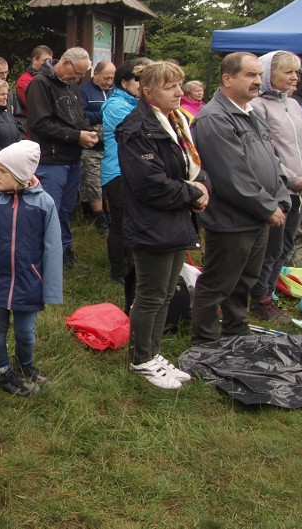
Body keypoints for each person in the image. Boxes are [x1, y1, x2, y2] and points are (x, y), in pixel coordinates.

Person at [116, 61, 209, 389]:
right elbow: (149, 183)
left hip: (176, 219)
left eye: (180, 85)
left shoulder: (176, 122)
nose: (179, 93)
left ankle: (152, 352)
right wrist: (191, 193)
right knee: (151, 294)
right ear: (148, 91)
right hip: (152, 222)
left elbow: (193, 164)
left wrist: (200, 187)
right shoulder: (137, 128)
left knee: (168, 291)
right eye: (171, 87)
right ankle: (141, 358)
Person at [190, 52, 291, 346]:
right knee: (218, 281)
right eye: (250, 75)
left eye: (259, 74)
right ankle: (206, 343)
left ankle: (236, 329)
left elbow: (272, 161)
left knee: (244, 279)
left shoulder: (250, 113)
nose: (258, 81)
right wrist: (267, 206)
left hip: (256, 217)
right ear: (227, 78)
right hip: (232, 217)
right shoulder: (214, 119)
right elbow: (230, 175)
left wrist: (281, 197)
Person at [0, 140, 63, 395]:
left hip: (29, 282)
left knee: (25, 332)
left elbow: (53, 249)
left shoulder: (45, 204)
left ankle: (25, 365)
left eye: (2, 171)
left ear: (20, 175)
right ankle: (2, 370)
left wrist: (50, 289)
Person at [248, 51, 302, 323]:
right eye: (287, 71)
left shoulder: (296, 106)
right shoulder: (259, 107)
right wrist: (292, 179)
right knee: (272, 247)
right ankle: (260, 298)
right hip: (279, 189)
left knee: (286, 245)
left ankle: (268, 290)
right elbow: (267, 154)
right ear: (268, 74)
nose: (294, 77)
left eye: (296, 72)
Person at [27, 46, 98, 269]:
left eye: (81, 75)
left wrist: (88, 131)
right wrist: (76, 136)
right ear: (65, 63)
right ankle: (42, 258)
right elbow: (40, 123)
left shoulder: (71, 86)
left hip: (72, 158)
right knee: (50, 210)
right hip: (51, 160)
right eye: (76, 73)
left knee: (66, 210)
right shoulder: (40, 84)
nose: (78, 78)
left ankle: (64, 252)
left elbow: (78, 116)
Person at [101, 58, 151, 284]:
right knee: (121, 223)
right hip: (118, 171)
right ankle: (118, 270)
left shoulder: (136, 103)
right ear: (124, 82)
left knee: (135, 220)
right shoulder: (116, 106)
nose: (144, 83)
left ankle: (132, 265)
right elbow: (143, 130)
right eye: (138, 78)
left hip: (136, 171)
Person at [79, 60, 115, 237]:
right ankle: (99, 219)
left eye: (111, 78)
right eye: (106, 78)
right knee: (93, 183)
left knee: (108, 182)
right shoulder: (84, 90)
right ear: (96, 74)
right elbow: (82, 114)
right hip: (91, 145)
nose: (109, 81)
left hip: (110, 146)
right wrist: (103, 114)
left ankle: (110, 216)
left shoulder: (114, 91)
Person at [16, 45, 53, 117]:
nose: (48, 64)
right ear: (34, 60)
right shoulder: (24, 80)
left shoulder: (50, 77)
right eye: (44, 60)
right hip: (34, 123)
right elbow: (34, 106)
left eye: (50, 61)